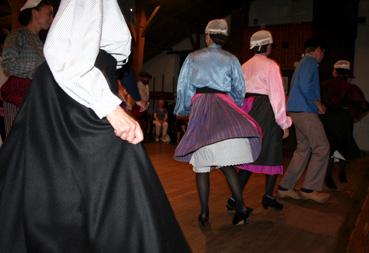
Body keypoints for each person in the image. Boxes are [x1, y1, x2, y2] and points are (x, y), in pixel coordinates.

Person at [0, 0, 191, 252]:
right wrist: (110, 108)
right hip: (76, 91)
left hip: (86, 85)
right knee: (106, 179)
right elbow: (62, 53)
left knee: (70, 186)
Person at [174, 18, 262, 227]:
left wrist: (183, 109)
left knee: (202, 165)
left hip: (201, 109)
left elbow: (183, 87)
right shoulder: (231, 58)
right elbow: (239, 90)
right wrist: (235, 109)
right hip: (223, 108)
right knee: (227, 164)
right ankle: (240, 208)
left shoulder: (193, 57)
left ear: (208, 36)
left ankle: (204, 213)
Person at [226, 30, 292, 211]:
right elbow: (277, 96)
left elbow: (235, 93)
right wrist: (284, 123)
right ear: (267, 46)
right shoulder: (271, 66)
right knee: (273, 151)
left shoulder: (244, 65)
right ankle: (268, 196)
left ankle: (234, 198)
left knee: (249, 155)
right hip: (265, 109)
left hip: (248, 109)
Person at [277, 37, 330, 204]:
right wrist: (318, 104)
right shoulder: (310, 62)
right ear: (317, 50)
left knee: (303, 149)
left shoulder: (301, 63)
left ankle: (285, 187)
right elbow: (306, 86)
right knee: (322, 147)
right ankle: (309, 189)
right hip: (306, 111)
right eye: (323, 52)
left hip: (295, 110)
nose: (322, 56)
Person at [1, 0, 53, 136]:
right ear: (35, 12)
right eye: (49, 13)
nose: (51, 18)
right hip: (18, 95)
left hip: (35, 95)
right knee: (15, 140)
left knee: (33, 140)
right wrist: (40, 63)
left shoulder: (41, 42)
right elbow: (8, 64)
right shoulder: (17, 35)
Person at [321, 60, 369, 190]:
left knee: (330, 147)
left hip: (330, 118)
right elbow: (364, 105)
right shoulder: (351, 88)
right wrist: (354, 116)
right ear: (347, 74)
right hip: (344, 118)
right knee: (343, 145)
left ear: (335, 71)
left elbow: (318, 101)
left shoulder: (325, 85)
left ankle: (328, 177)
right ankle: (342, 173)